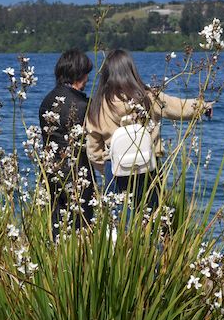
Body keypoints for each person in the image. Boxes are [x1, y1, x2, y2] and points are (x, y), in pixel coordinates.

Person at [85, 49, 212, 212]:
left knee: (119, 221)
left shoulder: (98, 105)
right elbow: (178, 107)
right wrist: (203, 106)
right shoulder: (147, 97)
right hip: (148, 167)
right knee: (149, 220)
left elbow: (93, 150)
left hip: (115, 171)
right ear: (131, 71)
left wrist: (107, 168)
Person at [37, 49, 95, 237]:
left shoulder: (47, 100)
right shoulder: (82, 105)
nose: (88, 79)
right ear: (80, 75)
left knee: (56, 226)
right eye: (87, 74)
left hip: (50, 172)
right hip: (77, 174)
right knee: (81, 229)